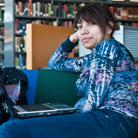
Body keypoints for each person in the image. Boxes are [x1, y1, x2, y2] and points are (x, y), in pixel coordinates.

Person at [0, 3, 138, 138]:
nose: (83, 30)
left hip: (114, 119)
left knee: (12, 128)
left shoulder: (108, 46)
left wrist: (66, 117)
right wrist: (73, 39)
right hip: (103, 118)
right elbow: (55, 62)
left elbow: (94, 99)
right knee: (14, 122)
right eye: (79, 26)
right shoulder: (90, 59)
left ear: (109, 28)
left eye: (91, 23)